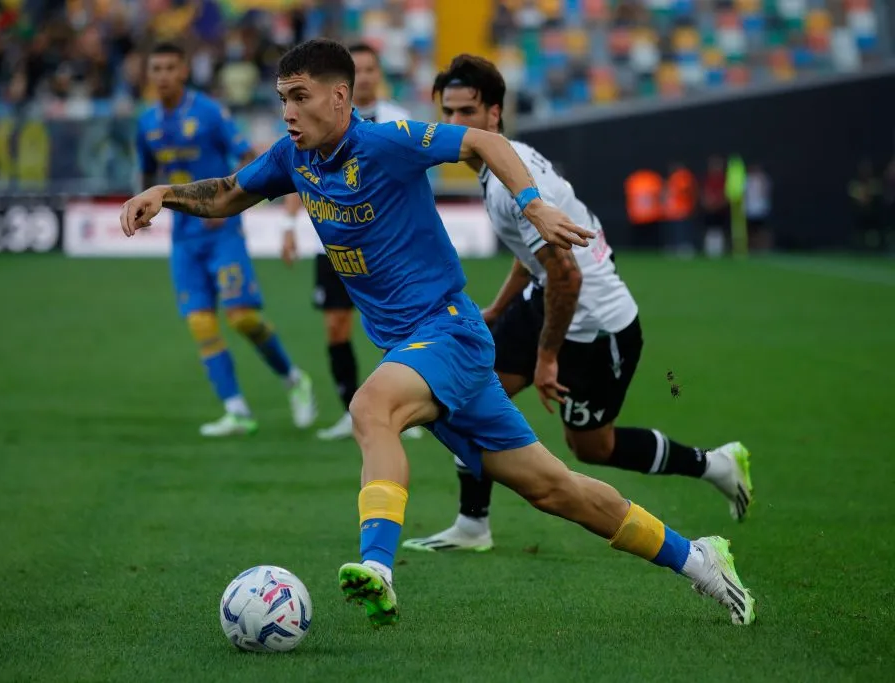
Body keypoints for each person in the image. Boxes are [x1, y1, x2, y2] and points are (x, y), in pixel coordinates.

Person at [121, 39, 755, 629]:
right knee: (556, 490)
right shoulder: (294, 157)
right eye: (282, 98)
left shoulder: (388, 142)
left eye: (300, 96)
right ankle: (698, 559)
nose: (287, 111)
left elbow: (486, 144)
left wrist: (532, 203)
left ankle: (376, 567)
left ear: (339, 98)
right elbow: (230, 192)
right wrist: (164, 194)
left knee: (371, 409)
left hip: (447, 332)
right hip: (419, 348)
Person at [401, 55, 753, 555]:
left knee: (592, 447)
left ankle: (714, 464)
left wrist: (547, 359)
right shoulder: (504, 162)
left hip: (597, 325)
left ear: (495, 114)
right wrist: (498, 311)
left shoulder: (509, 183)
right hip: (550, 299)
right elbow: (534, 259)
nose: (455, 125)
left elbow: (566, 274)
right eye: (448, 113)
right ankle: (472, 525)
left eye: (467, 113)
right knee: (469, 391)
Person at [135, 42, 316, 437]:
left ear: (184, 70)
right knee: (201, 323)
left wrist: (228, 206)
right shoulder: (145, 122)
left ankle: (294, 379)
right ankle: (236, 410)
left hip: (221, 234)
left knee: (242, 317)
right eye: (156, 68)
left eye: (170, 67)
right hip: (183, 238)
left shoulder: (209, 113)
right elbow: (148, 174)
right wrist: (144, 206)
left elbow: (248, 155)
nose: (163, 75)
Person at [278, 42, 424, 442]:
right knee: (337, 326)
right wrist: (289, 226)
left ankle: (403, 409)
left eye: (371, 69)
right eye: (358, 68)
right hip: (335, 245)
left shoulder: (397, 121)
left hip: (386, 247)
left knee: (396, 325)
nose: (366, 76)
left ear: (377, 75)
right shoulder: (315, 124)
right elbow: (296, 173)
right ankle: (350, 410)